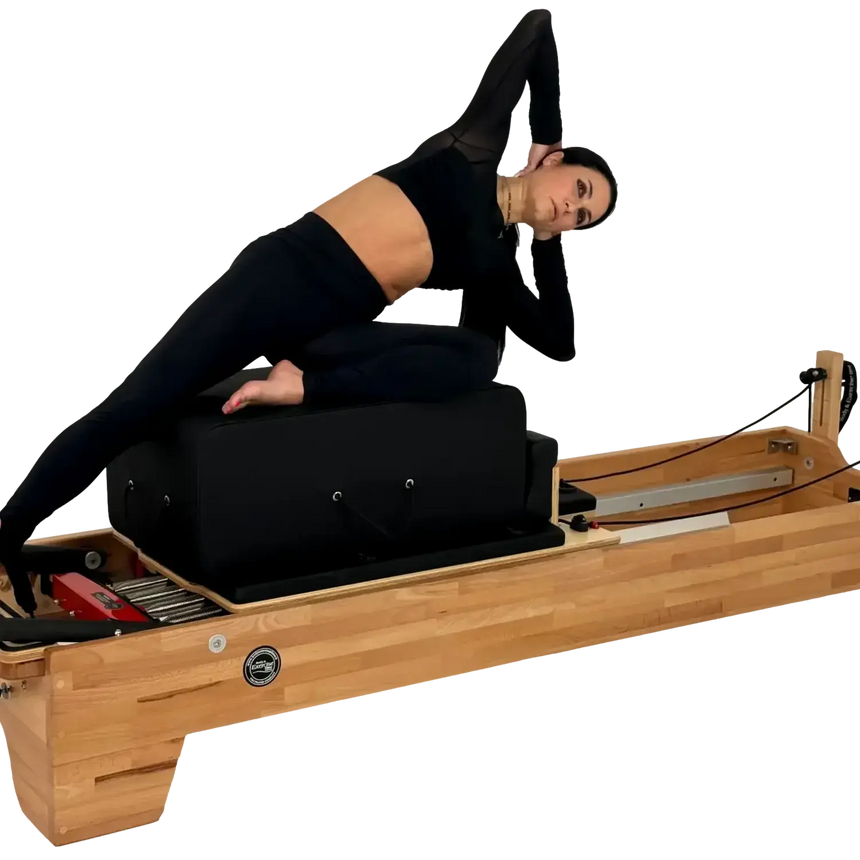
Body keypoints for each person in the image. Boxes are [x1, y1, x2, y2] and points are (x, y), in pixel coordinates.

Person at [0, 6, 619, 614]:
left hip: (328, 334)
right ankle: (8, 533)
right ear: (556, 164)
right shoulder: (471, 148)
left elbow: (559, 343)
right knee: (138, 404)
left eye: (583, 218)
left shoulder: (494, 266)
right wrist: (545, 131)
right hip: (277, 281)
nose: (572, 209)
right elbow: (538, 25)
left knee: (481, 356)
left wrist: (550, 244)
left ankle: (302, 384)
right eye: (579, 191)